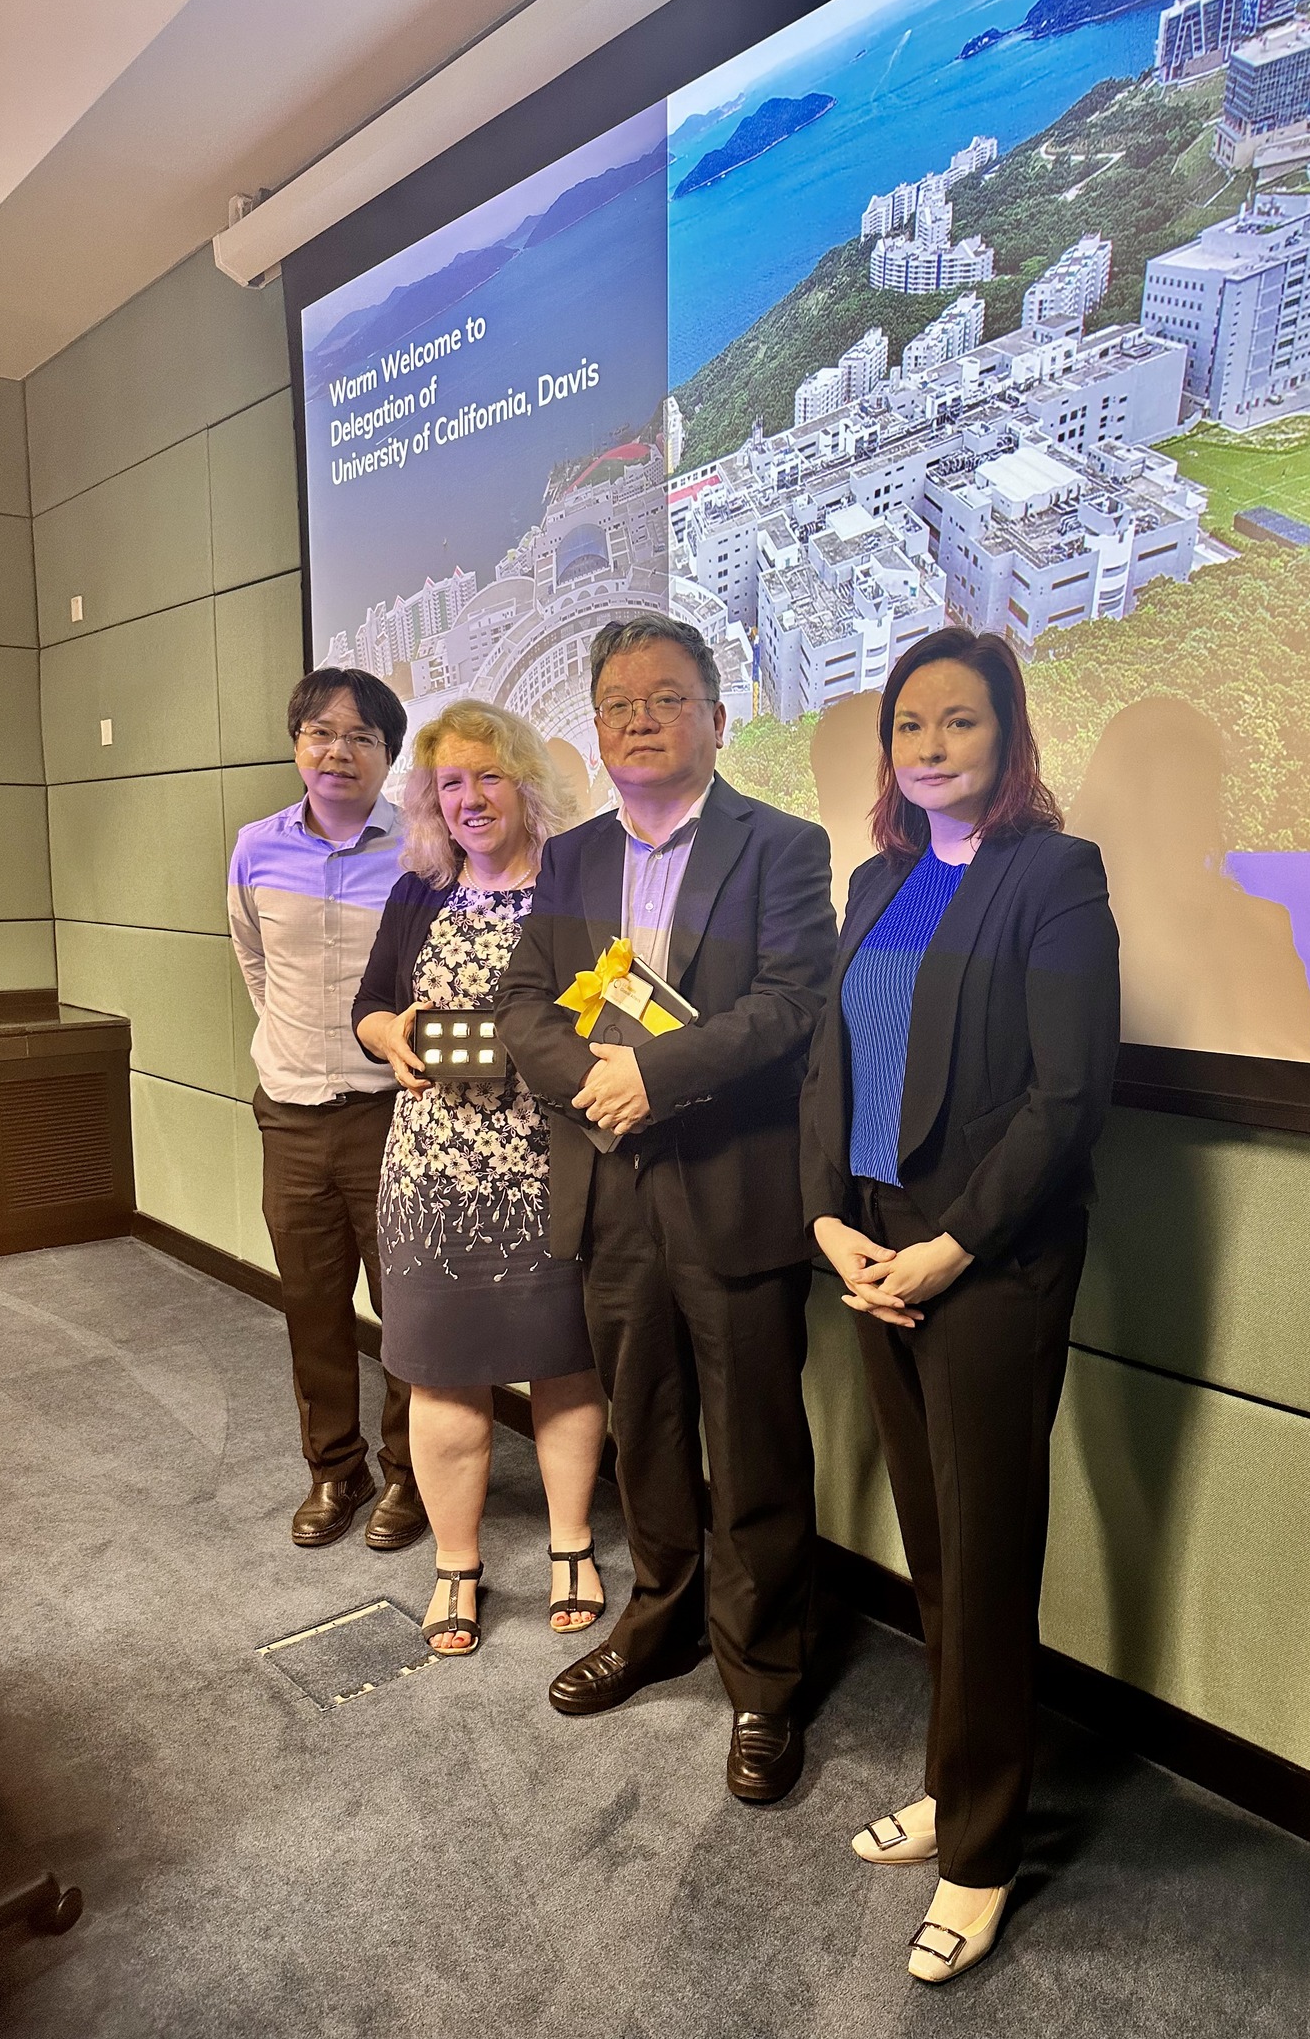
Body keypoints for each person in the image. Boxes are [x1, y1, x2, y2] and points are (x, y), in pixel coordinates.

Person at [800, 627, 1120, 1985]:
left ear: (1007, 737)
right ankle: (956, 1772)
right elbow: (831, 1066)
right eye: (909, 726)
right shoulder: (875, 878)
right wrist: (828, 1221)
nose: (929, 748)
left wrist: (949, 1247)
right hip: (871, 1247)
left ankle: (982, 1851)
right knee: (934, 1543)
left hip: (985, 1262)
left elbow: (1067, 1095)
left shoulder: (1054, 875)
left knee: (985, 1553)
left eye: (960, 724)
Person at [497, 612, 836, 1802]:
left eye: (666, 697)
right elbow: (526, 1001)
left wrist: (657, 1074)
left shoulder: (782, 845)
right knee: (643, 1426)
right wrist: (594, 1084)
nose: (640, 719)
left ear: (717, 717)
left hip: (734, 1189)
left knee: (751, 1440)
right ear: (596, 728)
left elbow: (796, 1001)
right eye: (619, 704)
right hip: (607, 1185)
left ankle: (765, 1678)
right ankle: (661, 1619)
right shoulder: (575, 856)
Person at [353, 701, 608, 1654]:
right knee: (441, 1375)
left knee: (562, 1360)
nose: (470, 799)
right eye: (450, 783)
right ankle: (457, 1565)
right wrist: (393, 1034)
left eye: (489, 776)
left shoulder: (578, 885)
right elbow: (370, 1006)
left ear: (526, 784)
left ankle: (571, 1545)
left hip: (549, 1165)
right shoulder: (419, 890)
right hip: (429, 1173)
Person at [228, 666, 424, 1552]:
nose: (338, 751)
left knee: (408, 1307)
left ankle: (411, 1476)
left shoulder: (421, 851)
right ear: (297, 742)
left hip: (393, 1114)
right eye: (320, 733)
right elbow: (256, 969)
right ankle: (334, 1469)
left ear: (389, 755)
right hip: (293, 1113)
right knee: (311, 1305)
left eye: (361, 738)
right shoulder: (254, 847)